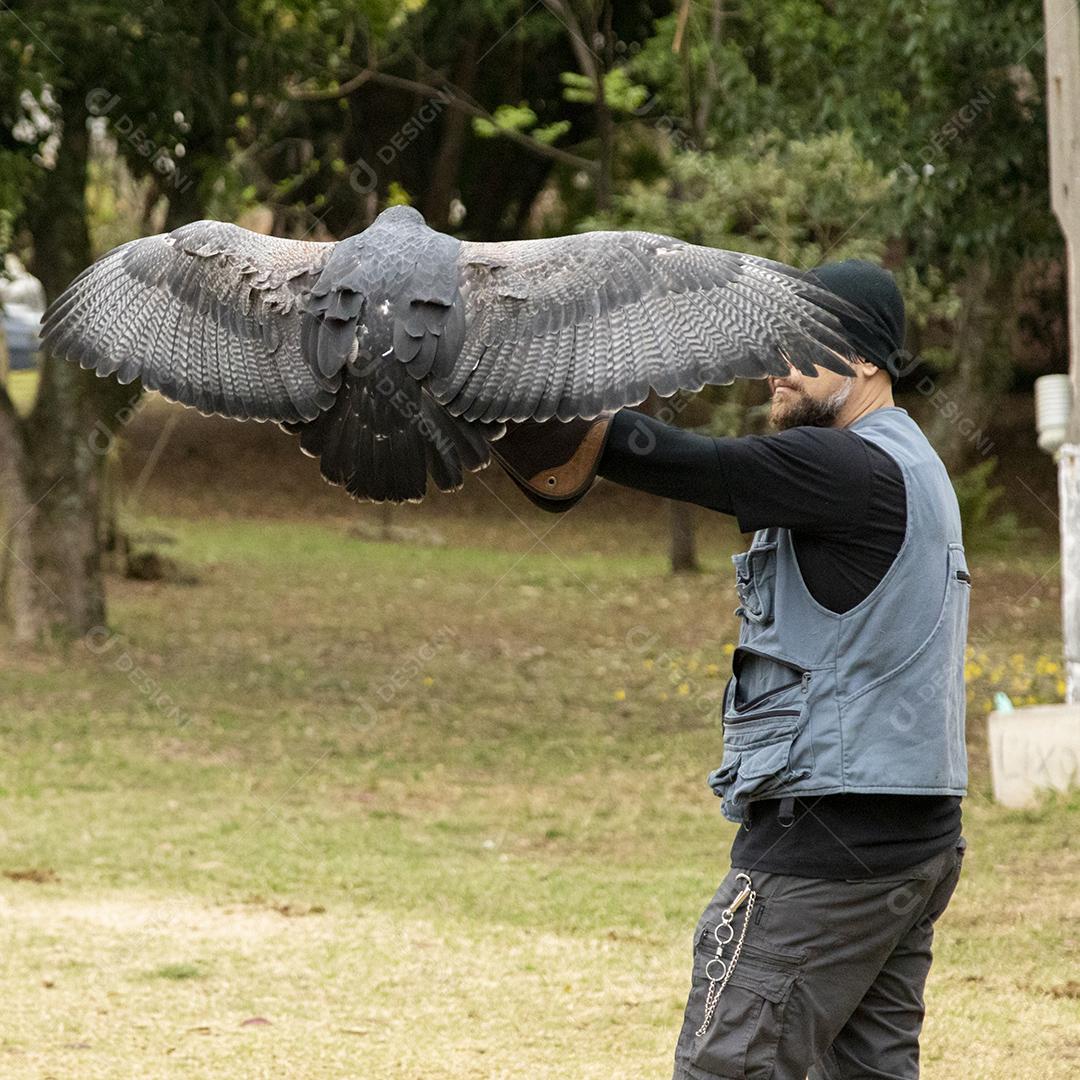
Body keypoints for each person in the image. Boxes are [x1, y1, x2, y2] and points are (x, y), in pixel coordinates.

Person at [490, 260, 970, 1080]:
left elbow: (694, 465)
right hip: (914, 837)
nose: (772, 366)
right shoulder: (913, 465)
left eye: (797, 346)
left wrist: (523, 394)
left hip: (829, 842)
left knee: (730, 1063)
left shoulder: (847, 467)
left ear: (863, 361)